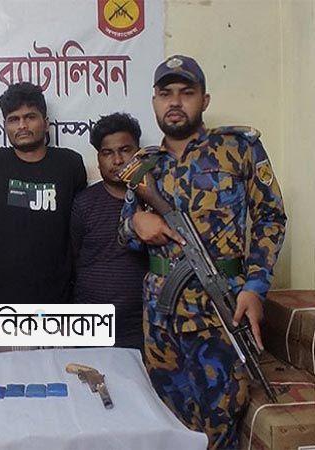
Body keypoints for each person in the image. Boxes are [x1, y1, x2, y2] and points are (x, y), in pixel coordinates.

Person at [118, 55, 286, 448]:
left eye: (187, 92)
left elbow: (270, 217)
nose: (175, 102)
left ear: (204, 100)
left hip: (222, 314)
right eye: (166, 93)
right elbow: (123, 233)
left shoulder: (238, 149)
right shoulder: (143, 165)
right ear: (155, 101)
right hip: (161, 319)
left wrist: (256, 287)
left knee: (221, 426)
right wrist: (137, 224)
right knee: (167, 426)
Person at [0, 82, 87, 305]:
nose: (22, 126)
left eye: (30, 117)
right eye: (13, 119)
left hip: (60, 298)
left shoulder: (70, 164)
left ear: (45, 123)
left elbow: (80, 229)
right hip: (8, 300)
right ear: (5, 126)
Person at [69, 112, 147, 350]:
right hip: (91, 323)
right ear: (98, 158)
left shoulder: (154, 200)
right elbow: (73, 257)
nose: (117, 160)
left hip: (141, 323)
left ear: (138, 153)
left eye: (125, 150)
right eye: (107, 153)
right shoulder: (83, 203)